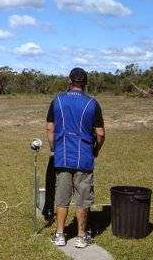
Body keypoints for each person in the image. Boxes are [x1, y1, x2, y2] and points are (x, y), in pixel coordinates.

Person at [46, 68, 105, 248]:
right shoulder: (92, 103)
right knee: (83, 198)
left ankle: (60, 235)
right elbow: (100, 133)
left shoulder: (57, 101)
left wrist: (54, 148)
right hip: (84, 157)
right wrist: (96, 150)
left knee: (61, 197)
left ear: (69, 81)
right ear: (85, 83)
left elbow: (50, 129)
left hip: (62, 156)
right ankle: (81, 236)